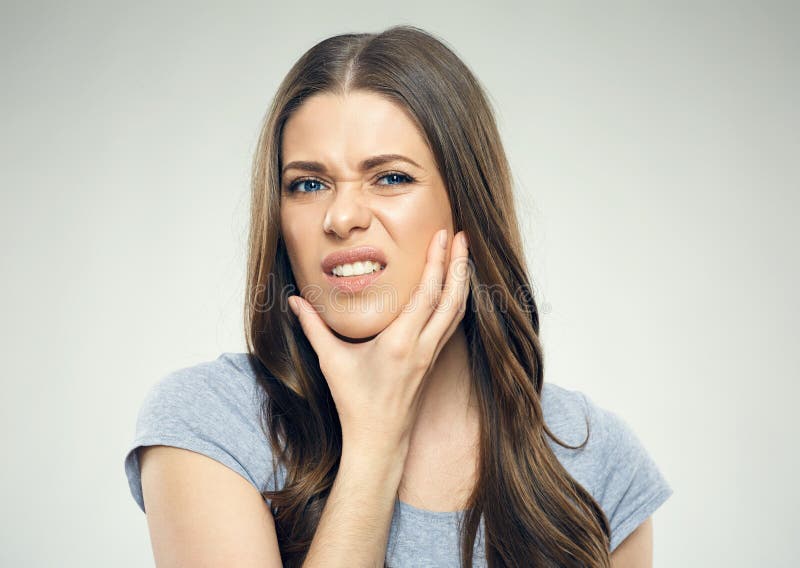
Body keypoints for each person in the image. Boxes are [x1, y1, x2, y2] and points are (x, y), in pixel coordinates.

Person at [124, 25, 673, 567]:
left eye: (389, 178)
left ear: (467, 207)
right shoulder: (210, 422)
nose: (341, 218)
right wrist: (375, 440)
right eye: (308, 184)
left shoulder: (592, 458)